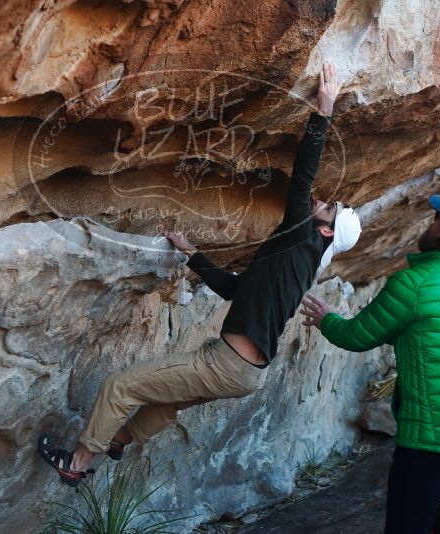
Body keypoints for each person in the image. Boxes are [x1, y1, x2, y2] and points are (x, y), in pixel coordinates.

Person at [37, 62, 362, 487]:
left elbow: (303, 177)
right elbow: (233, 288)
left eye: (326, 208)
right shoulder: (292, 263)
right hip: (245, 374)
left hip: (226, 364)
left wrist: (324, 109)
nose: (319, 201)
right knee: (166, 404)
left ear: (324, 230)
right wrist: (193, 254)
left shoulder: (301, 241)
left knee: (121, 387)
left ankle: (75, 465)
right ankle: (118, 438)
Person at [300, 194, 440, 534]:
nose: (431, 224)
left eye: (437, 220)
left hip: (429, 435)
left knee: (408, 526)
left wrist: (327, 319)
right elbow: (433, 338)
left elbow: (358, 336)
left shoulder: (411, 284)